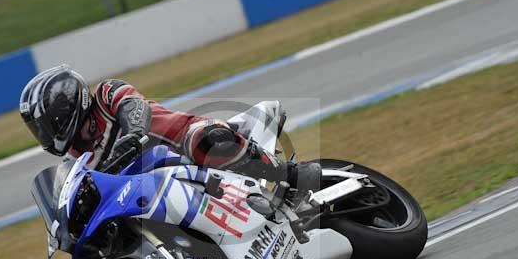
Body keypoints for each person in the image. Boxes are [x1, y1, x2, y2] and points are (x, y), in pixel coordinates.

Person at [19, 65, 319, 189]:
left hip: (183, 142)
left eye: (45, 124)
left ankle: (290, 177)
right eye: (38, 129)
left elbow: (134, 108)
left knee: (207, 141)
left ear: (64, 107)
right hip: (160, 189)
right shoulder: (76, 159)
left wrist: (133, 134)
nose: (44, 134)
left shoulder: (107, 94)